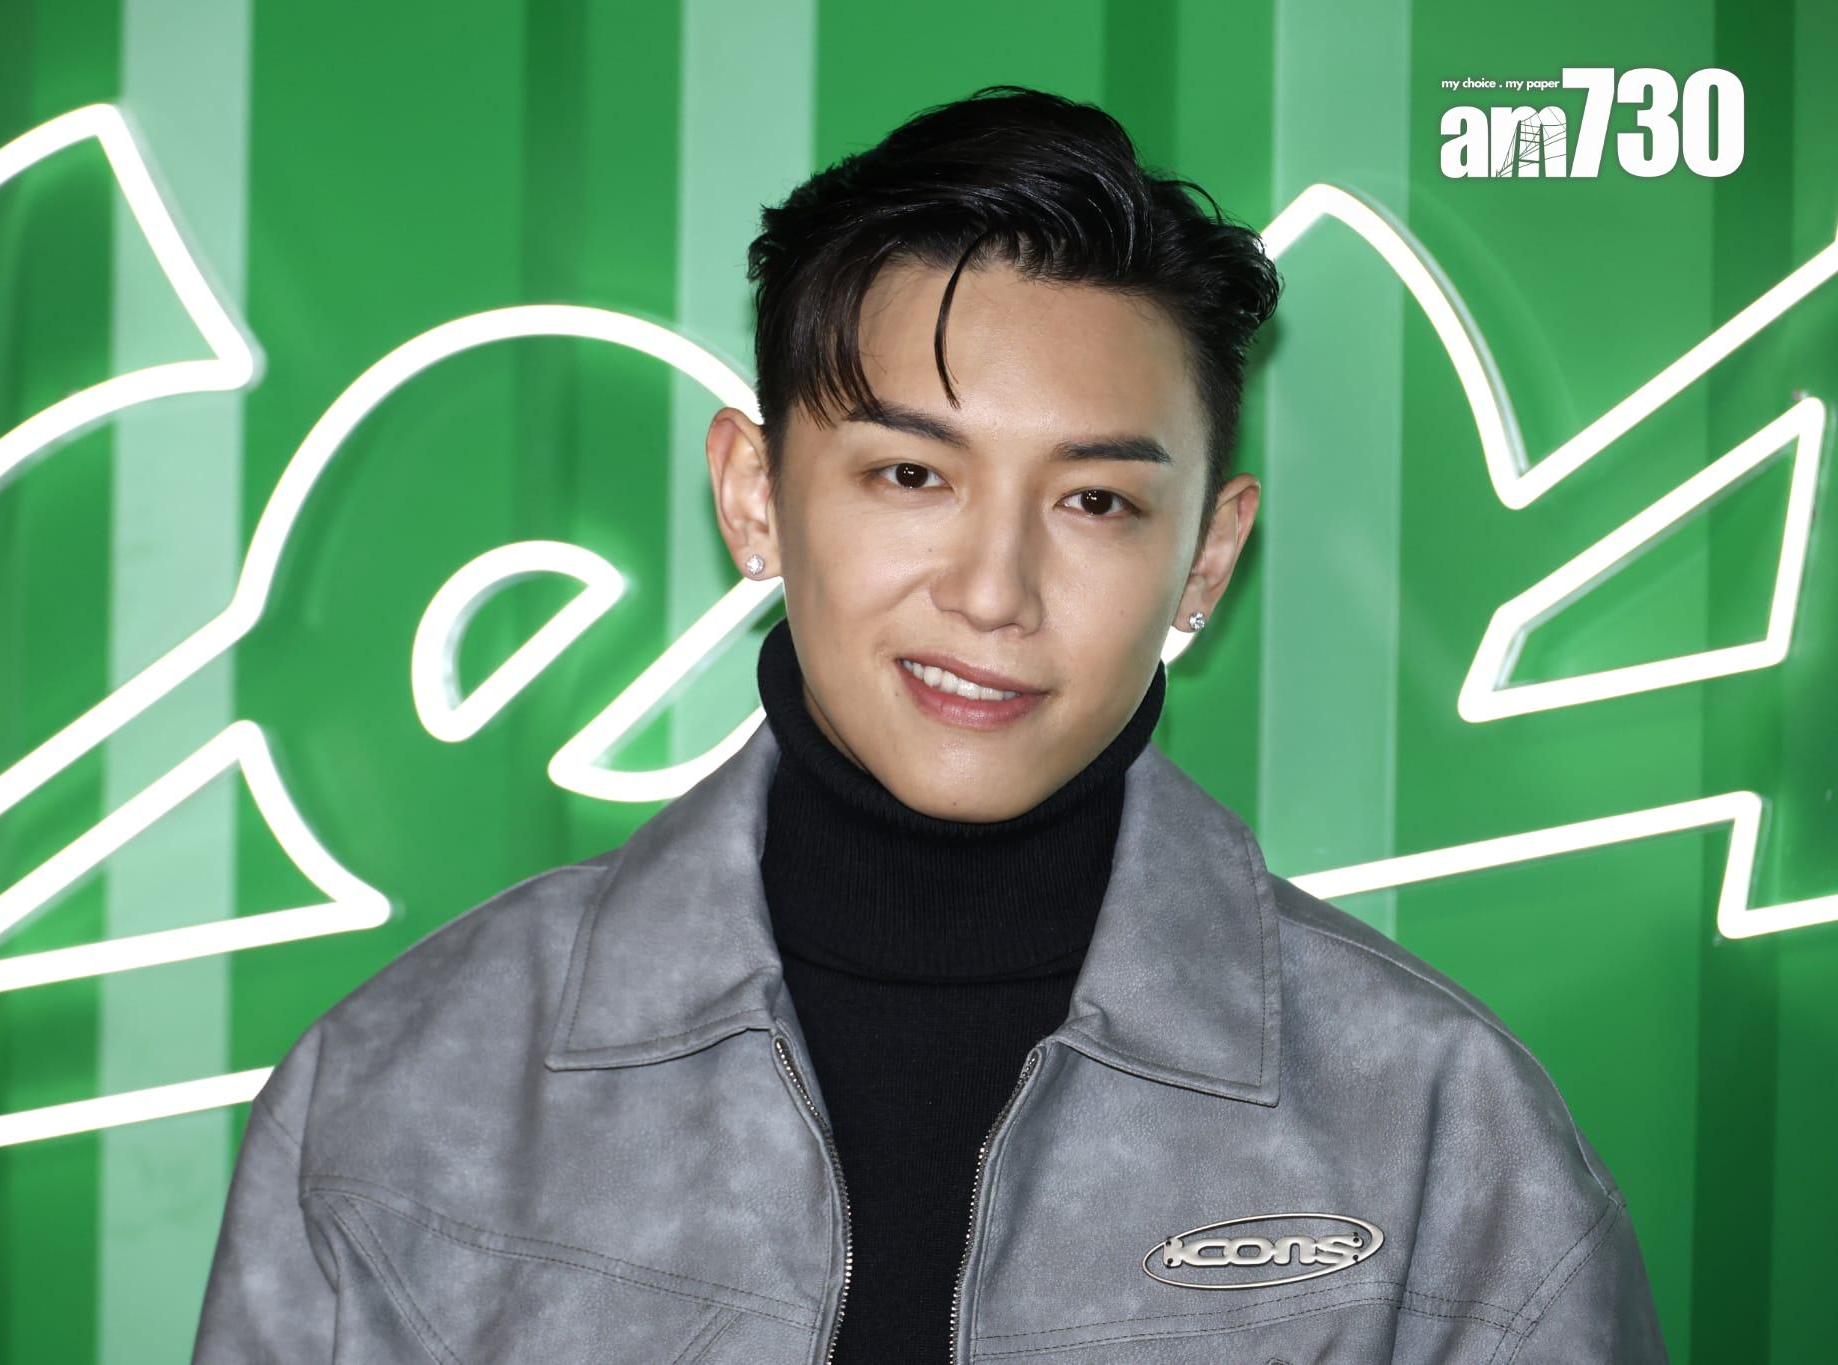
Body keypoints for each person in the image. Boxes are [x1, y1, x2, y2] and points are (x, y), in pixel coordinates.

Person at [191, 86, 1668, 1363]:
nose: (992, 591)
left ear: (1207, 558)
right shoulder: (403, 1087)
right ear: (755, 495)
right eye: (911, 475)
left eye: (1096, 501)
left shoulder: (1441, 1128)